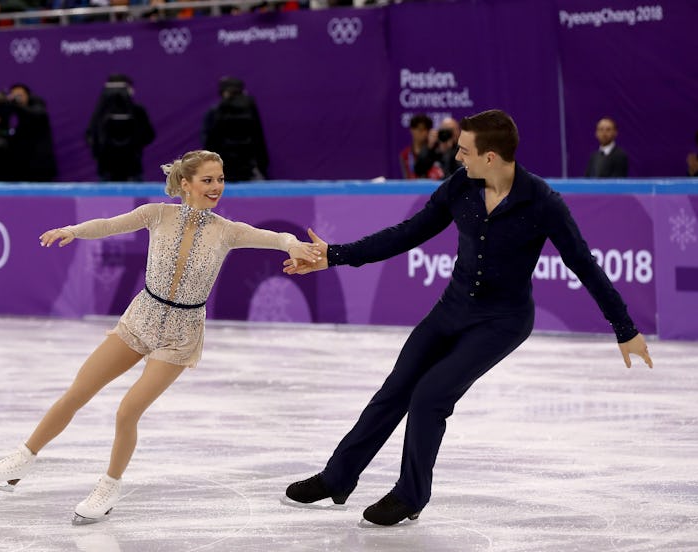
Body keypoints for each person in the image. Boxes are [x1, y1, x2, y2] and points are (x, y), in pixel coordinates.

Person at [282, 109, 653, 526]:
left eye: (464, 150)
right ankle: (338, 477)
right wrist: (335, 255)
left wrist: (625, 328)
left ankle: (410, 495)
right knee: (397, 388)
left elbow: (584, 265)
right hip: (452, 308)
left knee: (430, 396)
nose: (457, 157)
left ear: (490, 157)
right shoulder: (461, 186)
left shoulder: (543, 203)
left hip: (503, 321)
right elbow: (409, 233)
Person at [0, 150, 321, 525]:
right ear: (186, 184)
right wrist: (72, 230)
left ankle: (109, 486)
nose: (217, 187)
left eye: (220, 179)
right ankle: (22, 459)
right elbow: (109, 224)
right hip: (141, 317)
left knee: (127, 410)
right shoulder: (157, 214)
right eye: (208, 180)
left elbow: (273, 236)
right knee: (79, 390)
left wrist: (292, 244)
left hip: (181, 332)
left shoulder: (227, 230)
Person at [86, 74, 156, 182]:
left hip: (127, 169)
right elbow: (91, 135)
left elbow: (148, 135)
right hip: (113, 169)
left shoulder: (137, 111)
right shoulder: (102, 112)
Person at [201, 76, 269, 182]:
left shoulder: (215, 111)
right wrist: (262, 165)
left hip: (222, 170)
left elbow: (208, 141)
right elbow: (258, 140)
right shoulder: (250, 110)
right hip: (248, 170)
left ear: (224, 92)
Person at [0, 83, 57, 182]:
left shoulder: (37, 106)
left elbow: (35, 114)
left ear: (28, 95)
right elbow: (8, 132)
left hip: (39, 164)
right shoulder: (10, 110)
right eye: (15, 95)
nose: (18, 98)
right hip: (18, 164)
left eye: (20, 95)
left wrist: (15, 105)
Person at [399, 114, 434, 179]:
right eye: (421, 130)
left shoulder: (434, 151)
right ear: (412, 130)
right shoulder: (405, 154)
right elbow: (406, 178)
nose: (425, 133)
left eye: (427, 130)